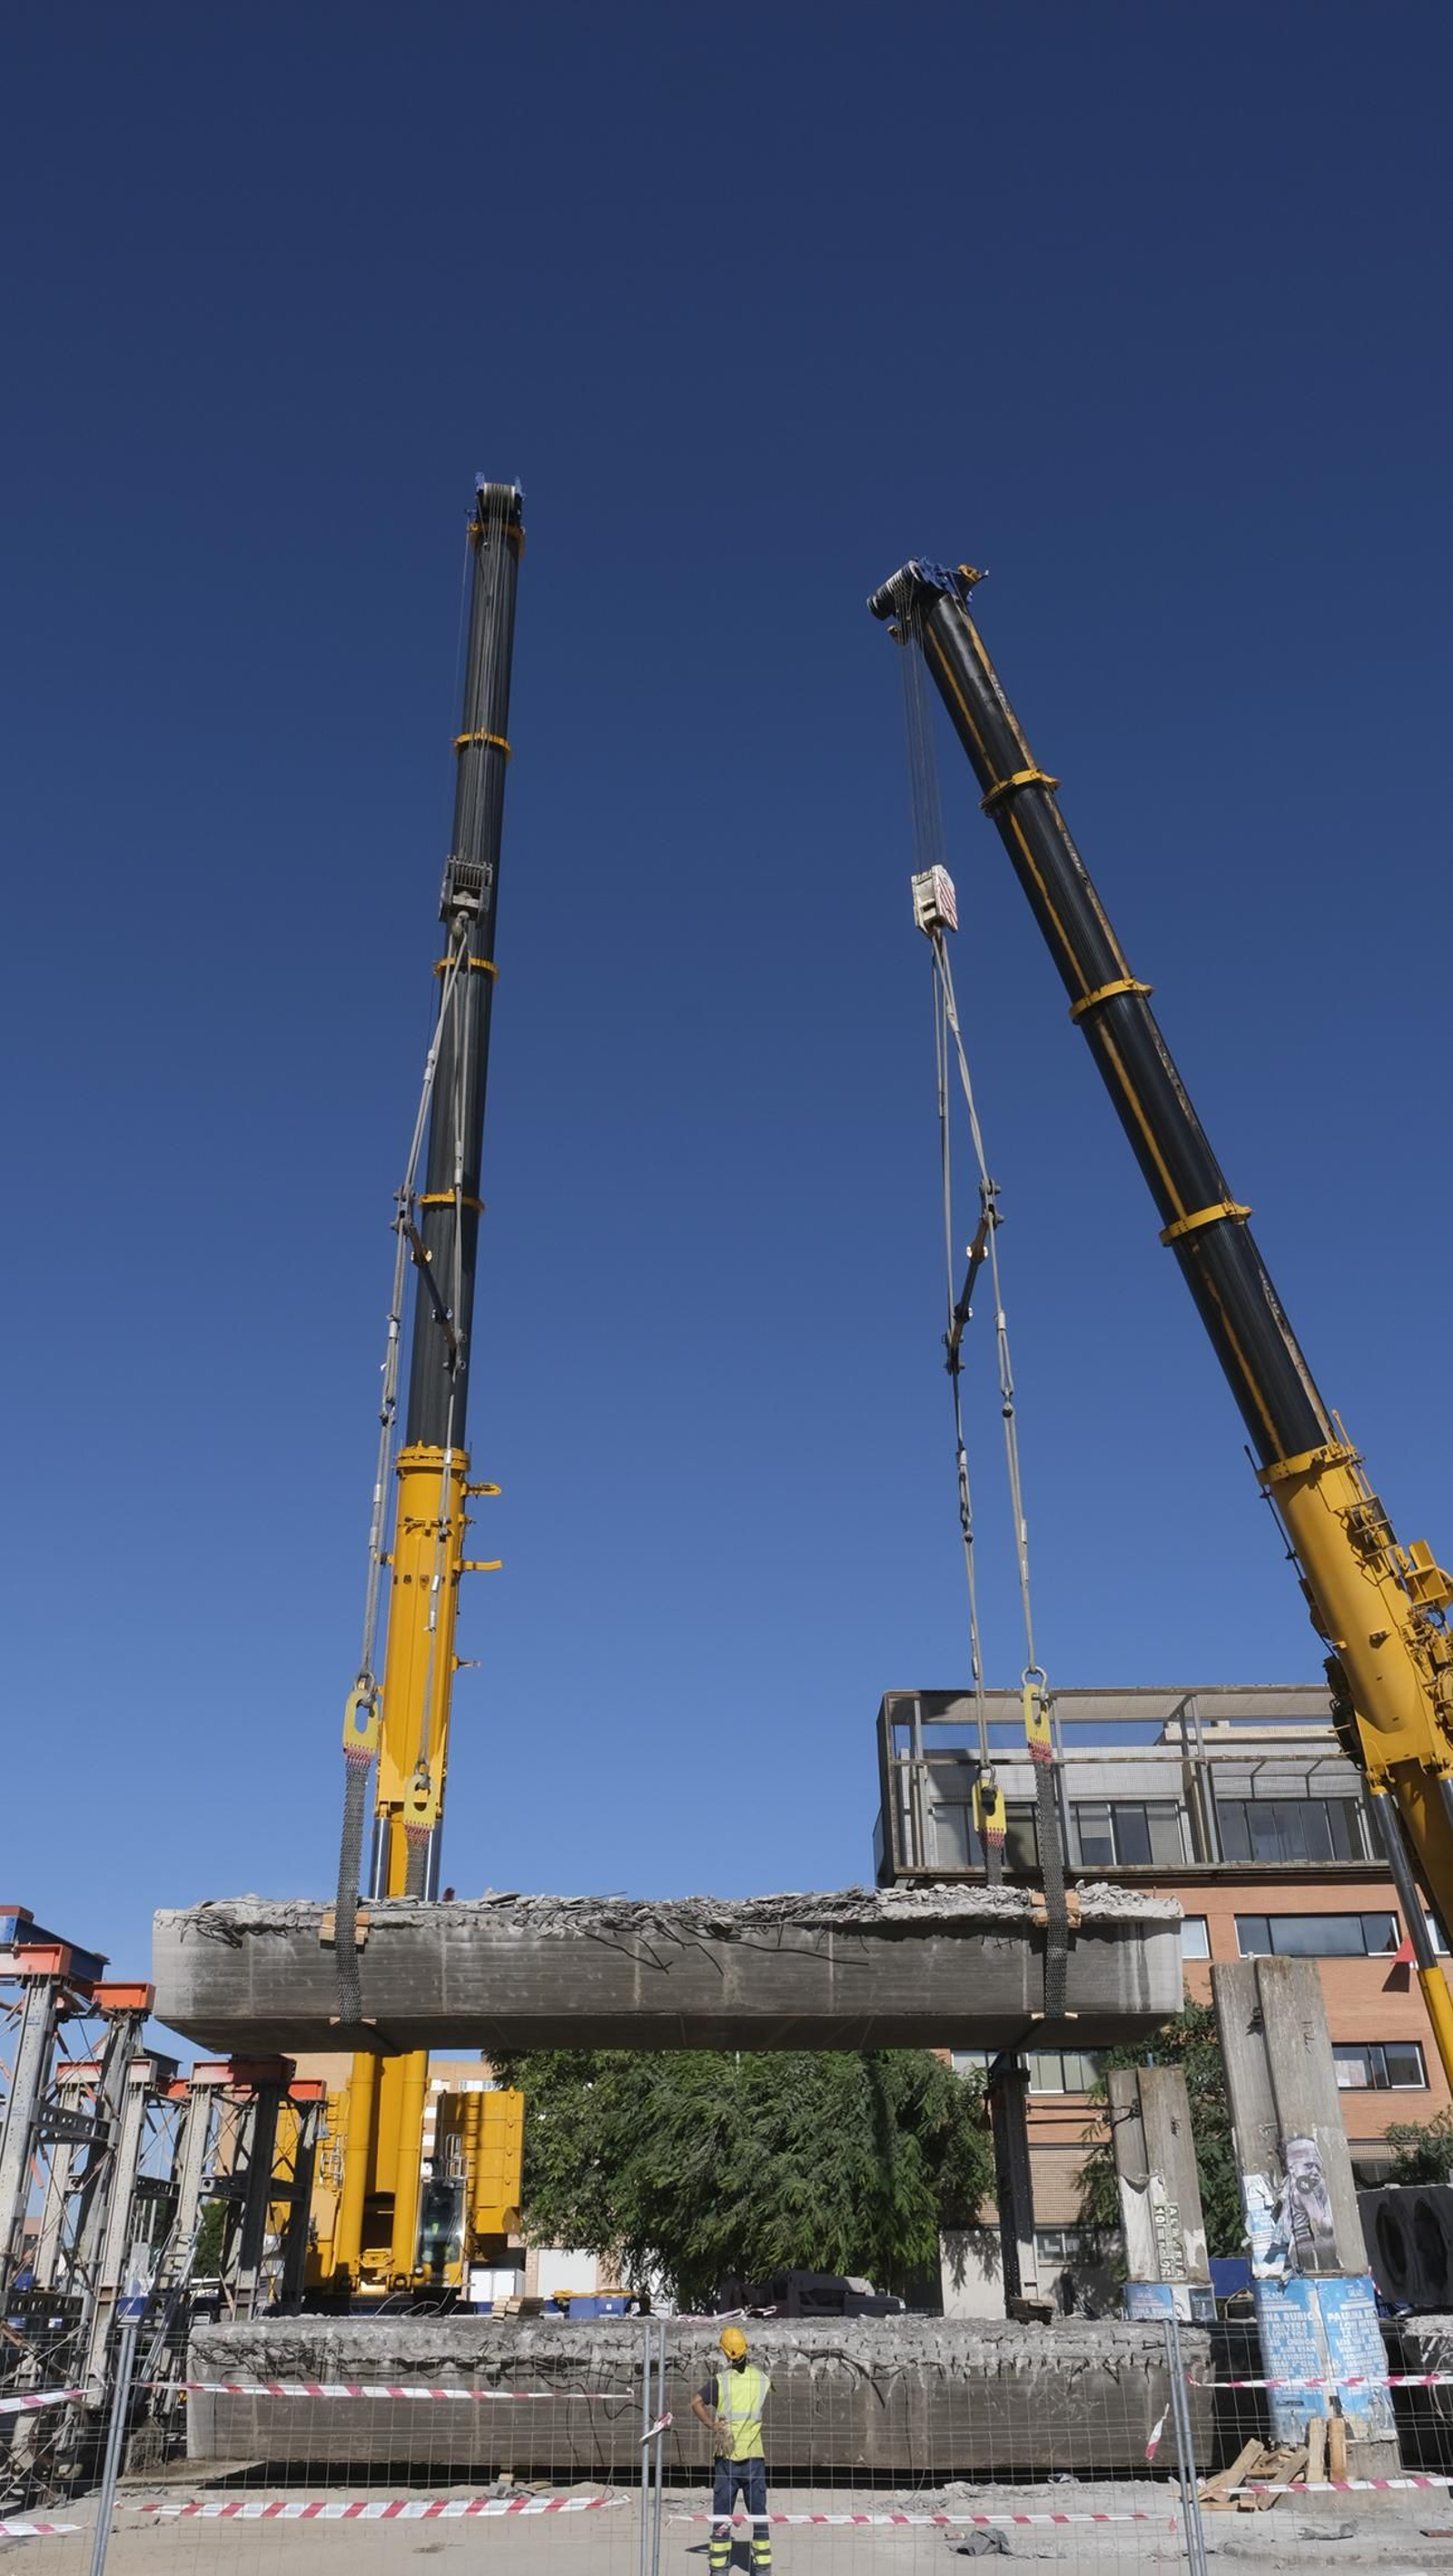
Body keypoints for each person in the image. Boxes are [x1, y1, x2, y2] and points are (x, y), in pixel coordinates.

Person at [691, 2325, 772, 2573]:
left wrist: (713, 2425)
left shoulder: (721, 2382)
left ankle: (719, 2568)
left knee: (722, 2516)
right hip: (754, 2457)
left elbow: (695, 2402)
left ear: (726, 2353)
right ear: (746, 2349)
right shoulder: (762, 2379)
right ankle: (762, 2567)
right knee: (758, 2515)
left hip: (727, 2457)